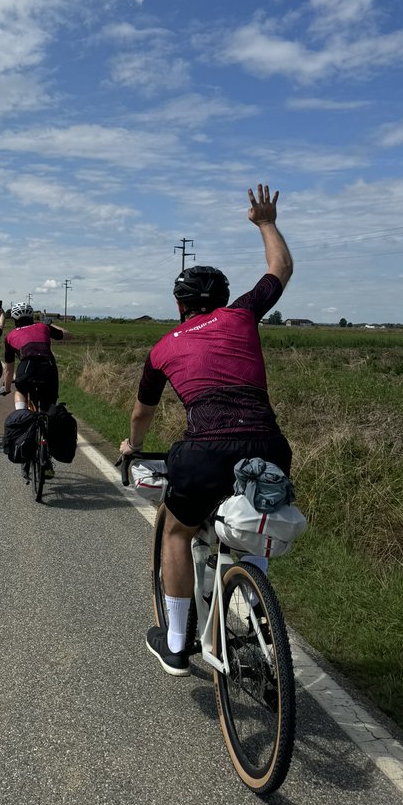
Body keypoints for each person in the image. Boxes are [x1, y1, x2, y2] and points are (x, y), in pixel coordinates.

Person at [119, 184, 294, 677]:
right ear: (222, 298)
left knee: (175, 530)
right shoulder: (241, 315)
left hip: (205, 451)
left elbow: (141, 414)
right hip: (269, 446)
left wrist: (134, 446)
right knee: (253, 518)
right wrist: (264, 221)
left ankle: (176, 643)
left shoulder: (162, 347)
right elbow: (279, 269)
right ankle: (255, 604)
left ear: (179, 306)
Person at [2, 301, 73, 412]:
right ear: (31, 316)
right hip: (48, 367)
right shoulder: (43, 327)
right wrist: (48, 323)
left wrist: (6, 388)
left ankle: (22, 417)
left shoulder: (10, 336)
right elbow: (68, 335)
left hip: (27, 367)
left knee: (20, 391)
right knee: (49, 406)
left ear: (14, 319)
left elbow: (9, 369)